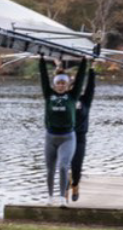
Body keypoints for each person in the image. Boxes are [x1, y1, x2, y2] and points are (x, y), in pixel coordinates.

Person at [38, 55, 87, 207]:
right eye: (58, 83)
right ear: (54, 85)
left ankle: (62, 198)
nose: (60, 85)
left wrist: (84, 61)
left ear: (67, 85)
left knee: (64, 166)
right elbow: (44, 78)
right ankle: (50, 197)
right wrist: (41, 59)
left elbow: (80, 80)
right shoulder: (49, 95)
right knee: (50, 169)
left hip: (67, 137)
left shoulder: (72, 96)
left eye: (63, 83)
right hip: (51, 137)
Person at [70, 65, 96, 201]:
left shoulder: (85, 100)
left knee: (76, 166)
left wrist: (91, 70)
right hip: (65, 137)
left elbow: (91, 87)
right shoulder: (67, 98)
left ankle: (75, 185)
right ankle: (63, 190)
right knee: (63, 164)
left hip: (80, 137)